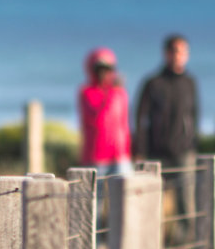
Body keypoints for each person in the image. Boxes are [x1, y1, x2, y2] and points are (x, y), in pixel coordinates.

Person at [134, 33, 199, 221]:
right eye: (174, 51)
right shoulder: (153, 83)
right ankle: (154, 244)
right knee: (153, 202)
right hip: (156, 152)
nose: (178, 55)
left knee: (185, 202)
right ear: (166, 53)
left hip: (183, 152)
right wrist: (141, 149)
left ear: (186, 54)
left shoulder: (190, 83)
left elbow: (195, 115)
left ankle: (184, 246)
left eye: (182, 51)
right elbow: (140, 117)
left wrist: (193, 144)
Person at [77, 47, 131, 176]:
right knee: (96, 195)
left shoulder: (120, 93)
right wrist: (112, 93)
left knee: (125, 194)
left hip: (120, 155)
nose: (104, 73)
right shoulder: (87, 92)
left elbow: (124, 123)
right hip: (96, 157)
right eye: (99, 69)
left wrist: (130, 148)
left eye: (108, 69)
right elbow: (99, 119)